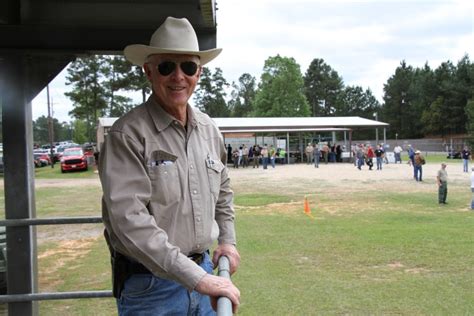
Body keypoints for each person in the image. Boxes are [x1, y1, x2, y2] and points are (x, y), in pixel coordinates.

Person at [99, 17, 240, 315]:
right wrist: (198, 279)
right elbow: (129, 222)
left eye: (188, 67)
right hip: (151, 287)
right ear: (148, 71)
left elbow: (223, 192)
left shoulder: (209, 130)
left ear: (199, 73)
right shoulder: (128, 135)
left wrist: (227, 241)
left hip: (203, 271)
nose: (178, 76)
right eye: (166, 66)